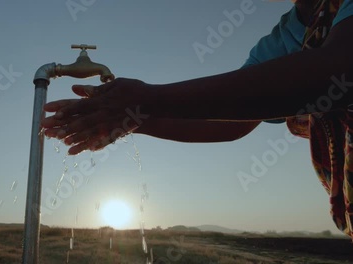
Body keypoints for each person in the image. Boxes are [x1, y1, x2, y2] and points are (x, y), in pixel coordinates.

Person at [41, 0, 353, 239]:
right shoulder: (285, 35)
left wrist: (147, 99)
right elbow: (230, 120)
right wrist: (134, 117)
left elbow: (338, 70)